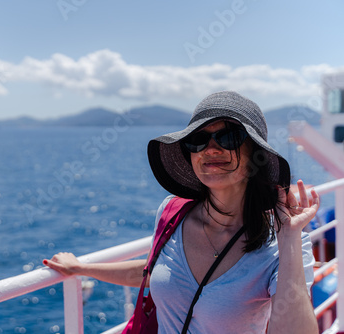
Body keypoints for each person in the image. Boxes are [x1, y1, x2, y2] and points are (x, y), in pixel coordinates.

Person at [43, 91, 319, 333]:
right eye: (198, 139)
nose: (211, 148)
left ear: (254, 159)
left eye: (229, 137)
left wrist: (290, 240)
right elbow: (157, 272)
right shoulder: (173, 212)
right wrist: (81, 268)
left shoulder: (284, 242)